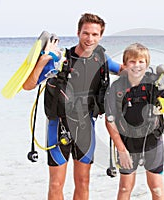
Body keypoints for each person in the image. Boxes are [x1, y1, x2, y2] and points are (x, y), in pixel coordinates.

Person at [23, 13, 122, 200]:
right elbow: (28, 85)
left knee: (83, 182)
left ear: (100, 36)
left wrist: (157, 76)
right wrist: (44, 59)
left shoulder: (102, 59)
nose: (90, 38)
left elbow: (126, 70)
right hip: (59, 128)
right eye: (86, 33)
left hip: (86, 128)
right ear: (78, 33)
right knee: (55, 184)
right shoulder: (61, 61)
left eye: (94, 34)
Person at [105, 43, 164, 200]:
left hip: (152, 141)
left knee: (157, 189)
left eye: (141, 62)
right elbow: (110, 121)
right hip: (127, 142)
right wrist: (122, 150)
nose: (136, 66)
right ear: (124, 64)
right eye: (132, 61)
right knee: (125, 188)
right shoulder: (116, 87)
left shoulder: (154, 83)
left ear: (147, 64)